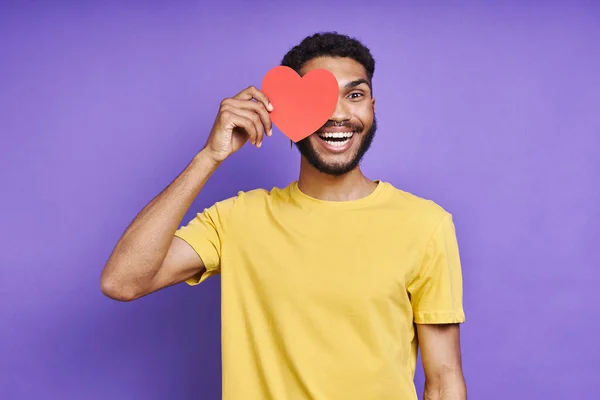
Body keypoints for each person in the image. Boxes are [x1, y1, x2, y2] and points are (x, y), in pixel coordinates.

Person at [101, 32, 467, 400]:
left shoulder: (425, 224)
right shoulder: (238, 220)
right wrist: (209, 156)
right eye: (319, 98)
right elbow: (122, 282)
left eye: (354, 95)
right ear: (289, 110)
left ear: (372, 106)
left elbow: (444, 378)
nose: (339, 114)